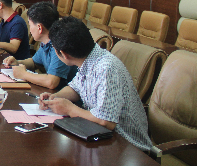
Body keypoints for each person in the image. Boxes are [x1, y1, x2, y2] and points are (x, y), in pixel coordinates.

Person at [38, 16, 153, 152]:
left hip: (127, 146)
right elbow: (75, 88)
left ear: (64, 54)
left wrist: (69, 109)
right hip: (98, 135)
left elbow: (106, 122)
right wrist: (55, 97)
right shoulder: (88, 58)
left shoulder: (106, 68)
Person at [3, 1, 77, 89]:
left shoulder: (59, 44)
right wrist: (17, 62)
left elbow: (52, 82)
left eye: (30, 25)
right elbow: (34, 62)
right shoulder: (46, 42)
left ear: (39, 28)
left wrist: (24, 74)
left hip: (65, 95)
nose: (30, 30)